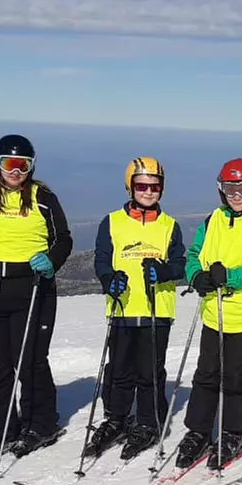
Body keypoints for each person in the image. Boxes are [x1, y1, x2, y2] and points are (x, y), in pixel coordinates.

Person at [0, 134, 74, 462]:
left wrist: (51, 261)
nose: (16, 172)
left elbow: (63, 238)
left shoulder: (42, 197)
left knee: (30, 361)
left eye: (23, 165)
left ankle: (40, 423)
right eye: (10, 164)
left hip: (31, 287)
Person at [170, 158, 242, 470]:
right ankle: (198, 431)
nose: (236, 195)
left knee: (234, 374)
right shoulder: (214, 220)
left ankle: (236, 432)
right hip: (214, 311)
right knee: (206, 373)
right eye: (230, 189)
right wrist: (197, 276)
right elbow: (194, 255)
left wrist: (231, 277)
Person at [84, 157, 186, 462]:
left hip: (157, 311)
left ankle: (148, 422)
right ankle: (116, 418)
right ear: (130, 187)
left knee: (149, 371)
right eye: (142, 186)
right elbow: (102, 259)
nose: (149, 191)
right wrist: (109, 279)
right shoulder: (112, 222)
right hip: (122, 308)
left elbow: (180, 264)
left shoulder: (169, 226)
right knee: (118, 370)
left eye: (155, 186)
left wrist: (164, 272)